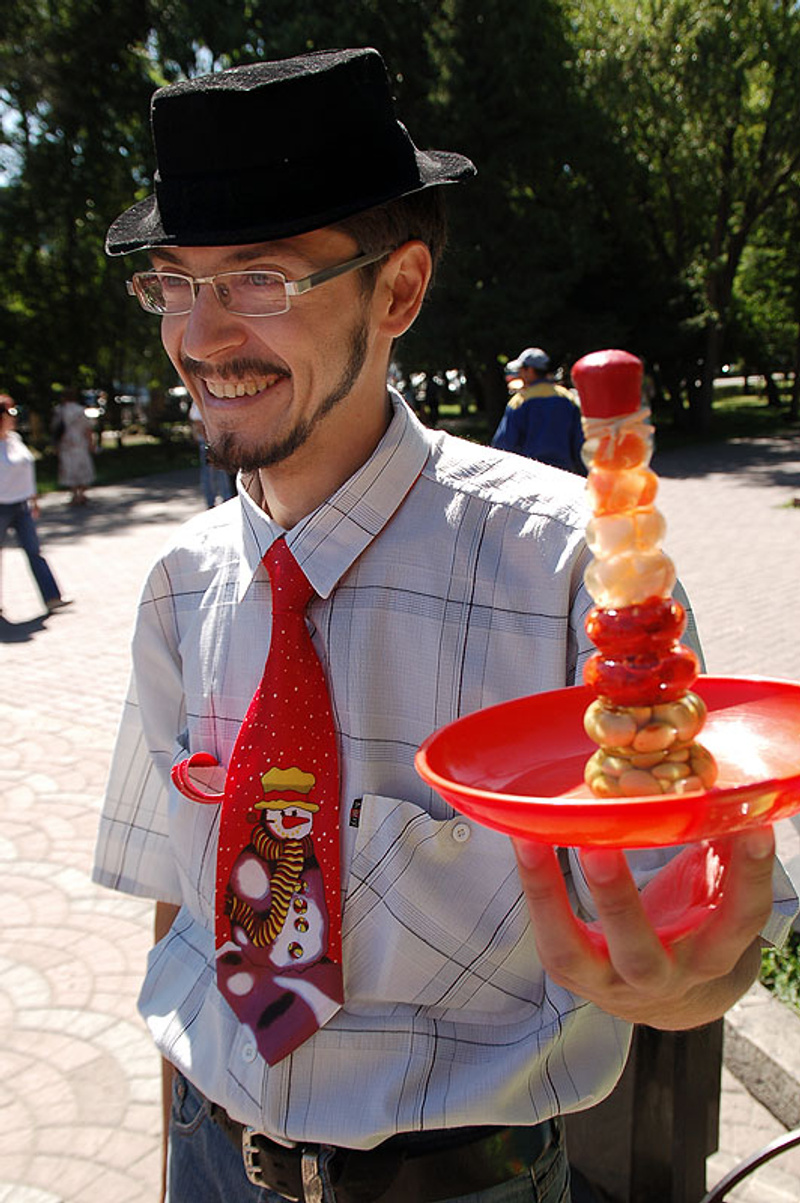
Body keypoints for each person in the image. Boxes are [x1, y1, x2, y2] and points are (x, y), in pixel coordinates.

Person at [92, 49, 794, 1203]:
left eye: (258, 279)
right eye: (174, 282)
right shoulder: (179, 583)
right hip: (210, 1159)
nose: (199, 337)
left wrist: (688, 987)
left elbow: (688, 920)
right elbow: (181, 900)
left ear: (398, 292)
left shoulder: (570, 568)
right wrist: (182, 1139)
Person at [0, 395, 71, 615]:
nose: (14, 417)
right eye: (10, 413)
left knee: (34, 551)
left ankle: (52, 598)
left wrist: (33, 499)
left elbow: (27, 471)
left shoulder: (15, 439)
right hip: (1, 506)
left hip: (21, 505)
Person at [492, 347, 585, 473]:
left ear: (529, 370)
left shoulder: (520, 401)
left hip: (529, 473)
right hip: (564, 473)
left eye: (521, 370)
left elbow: (504, 444)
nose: (519, 374)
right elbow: (579, 442)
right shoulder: (567, 398)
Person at [189, 399, 236, 508]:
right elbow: (197, 421)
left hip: (218, 441)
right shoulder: (200, 399)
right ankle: (212, 501)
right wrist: (208, 442)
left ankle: (226, 499)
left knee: (222, 471)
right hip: (209, 442)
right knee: (209, 473)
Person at [52, 389, 95, 505]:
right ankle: (82, 494)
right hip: (80, 443)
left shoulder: (59, 410)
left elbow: (56, 430)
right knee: (83, 468)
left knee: (69, 468)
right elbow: (88, 429)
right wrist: (91, 443)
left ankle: (75, 494)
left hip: (65, 444)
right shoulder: (81, 410)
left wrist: (56, 445)